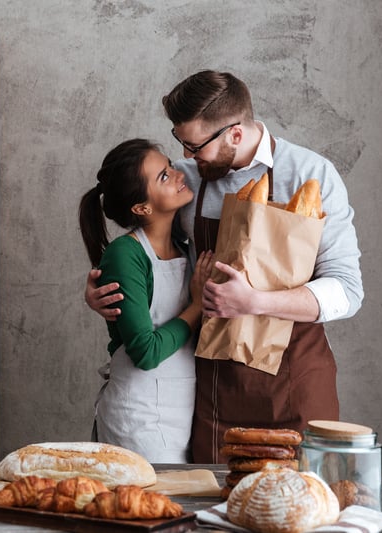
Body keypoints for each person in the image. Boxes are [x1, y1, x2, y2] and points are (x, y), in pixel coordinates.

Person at [85, 71, 364, 463]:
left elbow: (347, 292)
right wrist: (106, 291)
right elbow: (161, 262)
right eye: (180, 142)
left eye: (194, 145)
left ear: (234, 134)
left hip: (293, 378)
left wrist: (254, 301)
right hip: (212, 385)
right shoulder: (192, 182)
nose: (185, 157)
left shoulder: (310, 174)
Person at [79, 138, 212, 463]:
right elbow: (146, 351)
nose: (179, 174)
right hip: (136, 417)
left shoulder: (184, 247)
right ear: (141, 208)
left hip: (180, 411)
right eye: (164, 177)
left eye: (169, 166)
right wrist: (197, 305)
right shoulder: (125, 254)